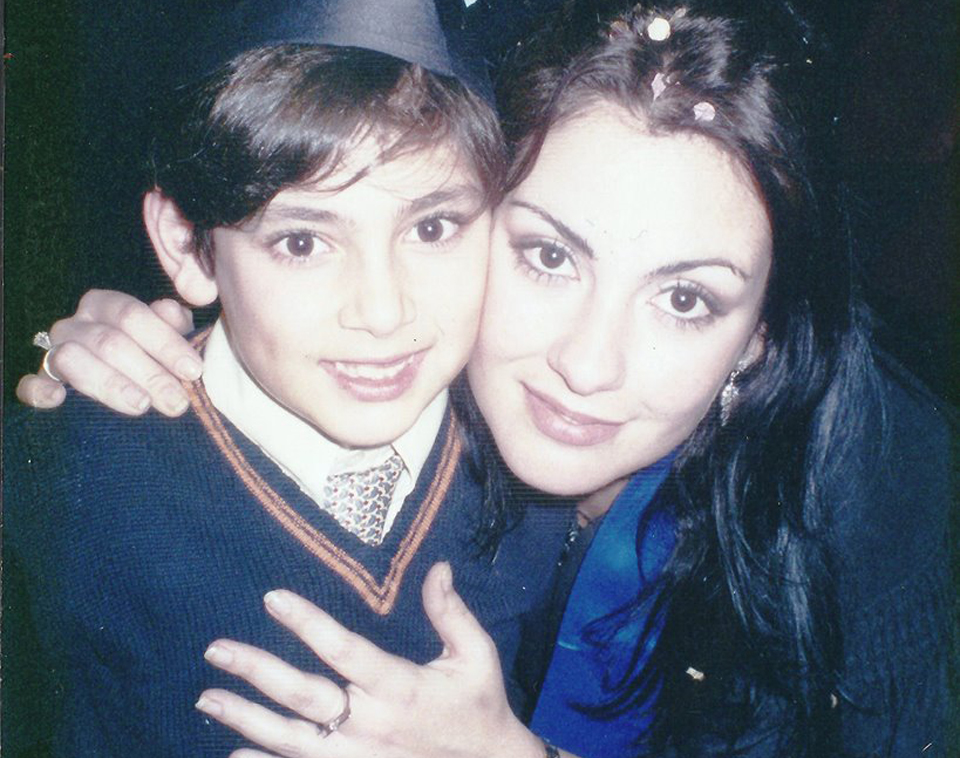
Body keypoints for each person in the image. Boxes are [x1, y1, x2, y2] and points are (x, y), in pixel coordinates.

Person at [16, 1, 955, 757]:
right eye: (548, 255)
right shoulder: (404, 381)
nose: (586, 365)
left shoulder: (873, 505)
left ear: (762, 333)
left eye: (685, 299)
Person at [2, 1, 573, 755]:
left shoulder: (537, 455)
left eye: (432, 228)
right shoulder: (66, 482)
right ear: (188, 247)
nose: (382, 312)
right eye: (302, 242)